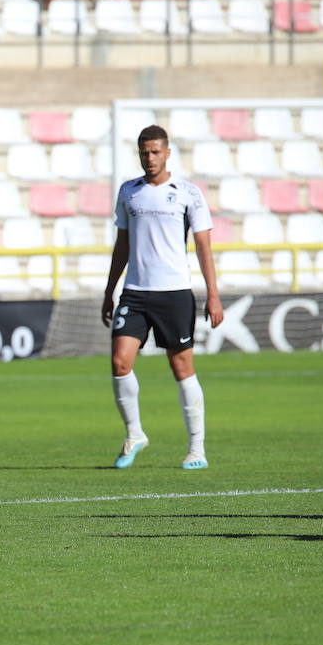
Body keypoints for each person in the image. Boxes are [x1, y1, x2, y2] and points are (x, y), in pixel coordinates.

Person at [101, 125, 223, 471]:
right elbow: (122, 245)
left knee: (181, 367)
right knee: (119, 362)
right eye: (144, 152)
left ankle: (196, 448)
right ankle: (135, 433)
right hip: (136, 293)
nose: (149, 158)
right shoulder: (129, 192)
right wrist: (110, 290)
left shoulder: (187, 193)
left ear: (168, 152)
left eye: (155, 152)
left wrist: (213, 295)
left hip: (174, 294)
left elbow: (203, 246)